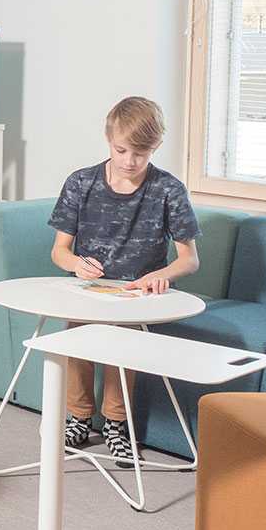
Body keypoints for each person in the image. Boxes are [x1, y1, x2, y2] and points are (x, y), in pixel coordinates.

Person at [48, 96, 201, 466]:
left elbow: (189, 260)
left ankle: (117, 424)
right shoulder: (81, 183)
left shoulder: (168, 190)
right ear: (108, 139)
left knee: (122, 337)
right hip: (89, 290)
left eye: (141, 154)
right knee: (78, 331)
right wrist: (77, 265)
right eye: (122, 150)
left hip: (139, 295)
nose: (130, 162)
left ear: (156, 148)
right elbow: (59, 253)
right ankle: (79, 418)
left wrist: (161, 275)